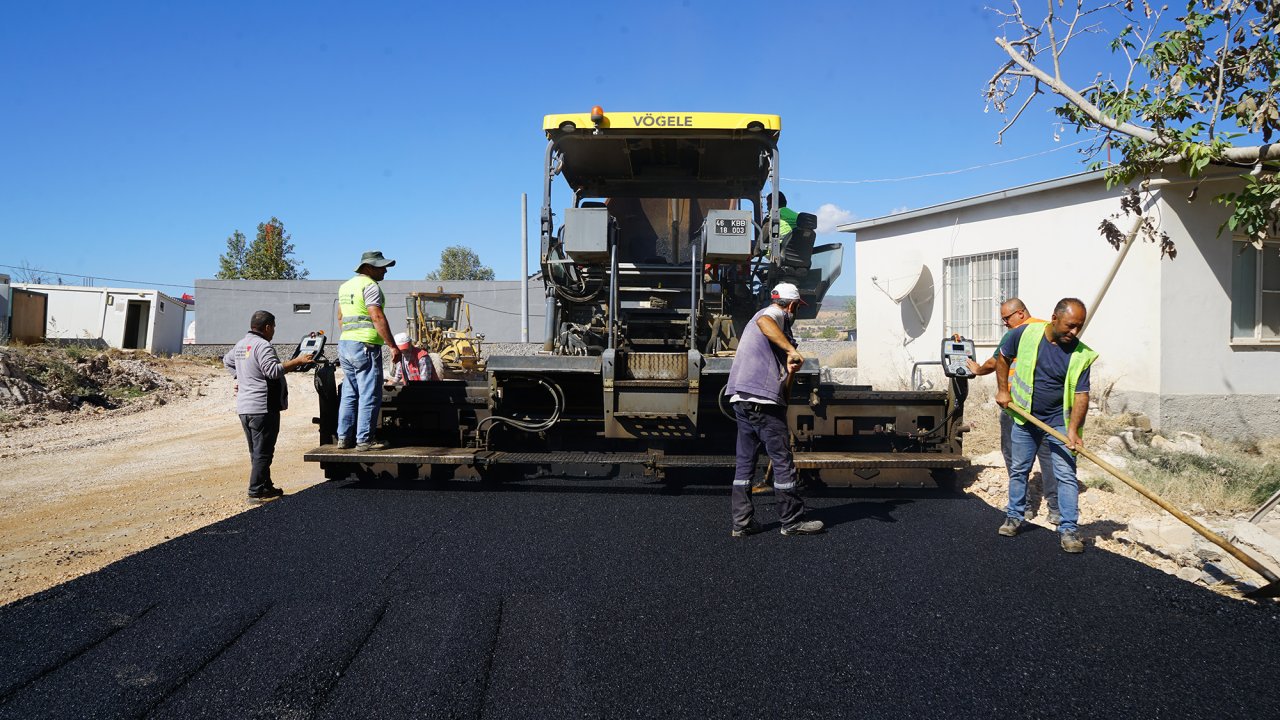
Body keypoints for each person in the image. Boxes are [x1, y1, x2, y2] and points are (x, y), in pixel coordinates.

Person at [994, 298, 1098, 553]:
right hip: (1024, 417)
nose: (1074, 332)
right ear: (1054, 318)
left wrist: (1073, 431)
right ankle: (1014, 516)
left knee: (1066, 475)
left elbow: (1081, 395)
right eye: (1070, 326)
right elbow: (1001, 358)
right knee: (1019, 469)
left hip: (1058, 422)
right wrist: (1002, 391)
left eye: (1079, 327)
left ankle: (1069, 529)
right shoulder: (1024, 334)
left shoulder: (1081, 354)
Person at [724, 282, 824, 537]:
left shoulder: (775, 332)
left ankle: (742, 523)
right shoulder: (774, 315)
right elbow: (764, 321)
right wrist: (791, 349)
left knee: (745, 464)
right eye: (796, 308)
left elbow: (784, 390)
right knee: (782, 461)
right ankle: (791, 522)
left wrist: (790, 370)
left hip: (742, 399)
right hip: (761, 403)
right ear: (791, 305)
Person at [965, 298, 1060, 525]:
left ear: (1020, 313)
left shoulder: (1017, 333)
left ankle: (1024, 507)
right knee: (1049, 458)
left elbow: (996, 361)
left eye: (1006, 318)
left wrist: (977, 370)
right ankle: (1055, 510)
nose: (1005, 324)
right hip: (1044, 408)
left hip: (1016, 407)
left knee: (1014, 456)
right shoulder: (1047, 330)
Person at [223, 310, 314, 502]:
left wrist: (240, 377)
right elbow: (273, 371)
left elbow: (227, 361)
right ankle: (255, 491)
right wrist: (298, 361)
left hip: (245, 407)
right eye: (273, 327)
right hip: (262, 407)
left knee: (257, 451)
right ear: (267, 327)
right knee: (264, 451)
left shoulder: (241, 345)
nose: (274, 331)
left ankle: (266, 486)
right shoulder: (262, 346)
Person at [336, 250, 402, 451]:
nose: (385, 271)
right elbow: (377, 317)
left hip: (346, 344)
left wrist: (351, 336)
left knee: (350, 392)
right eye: (381, 267)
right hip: (365, 346)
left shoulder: (345, 286)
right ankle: (365, 440)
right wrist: (392, 345)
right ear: (368, 267)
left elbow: (340, 317)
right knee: (369, 393)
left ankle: (343, 438)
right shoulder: (370, 286)